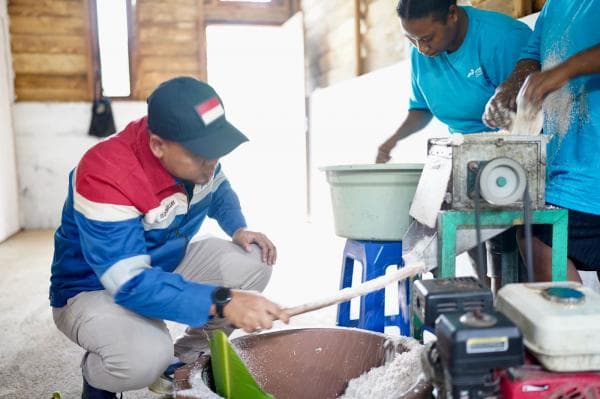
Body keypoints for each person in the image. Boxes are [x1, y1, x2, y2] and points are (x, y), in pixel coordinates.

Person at [49, 76, 290, 398]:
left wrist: (238, 228)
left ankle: (189, 360)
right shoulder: (105, 173)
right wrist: (224, 301)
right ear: (158, 145)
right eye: (201, 154)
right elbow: (129, 283)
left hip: (161, 267)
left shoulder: (198, 156)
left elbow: (218, 190)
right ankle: (99, 378)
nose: (212, 163)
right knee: (143, 358)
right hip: (95, 289)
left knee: (253, 260)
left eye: (216, 150)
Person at [376, 0, 532, 289]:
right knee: (449, 213)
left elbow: (529, 109)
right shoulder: (420, 52)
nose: (421, 48)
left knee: (505, 237)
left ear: (452, 14)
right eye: (411, 39)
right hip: (463, 153)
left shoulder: (502, 38)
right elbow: (421, 107)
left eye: (426, 38)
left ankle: (505, 296)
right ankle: (482, 292)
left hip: (511, 152)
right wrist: (392, 140)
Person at [483, 0, 600, 282]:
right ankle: (573, 327)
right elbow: (531, 56)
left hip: (592, 175)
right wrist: (509, 89)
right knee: (535, 237)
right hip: (567, 179)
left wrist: (560, 73)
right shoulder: (554, 5)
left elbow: (552, 72)